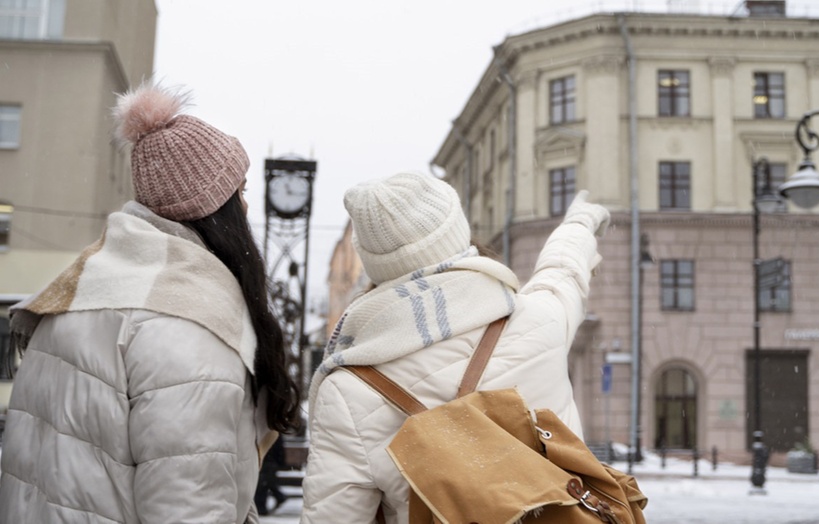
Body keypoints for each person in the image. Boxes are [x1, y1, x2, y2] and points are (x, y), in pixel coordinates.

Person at [0, 83, 299, 523]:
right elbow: (188, 505)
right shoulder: (187, 316)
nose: (247, 205)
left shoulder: (81, 292)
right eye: (240, 191)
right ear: (215, 208)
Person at [301, 172, 609, 523]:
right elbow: (562, 272)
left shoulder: (347, 390)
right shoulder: (540, 320)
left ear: (377, 265)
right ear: (458, 235)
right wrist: (580, 224)